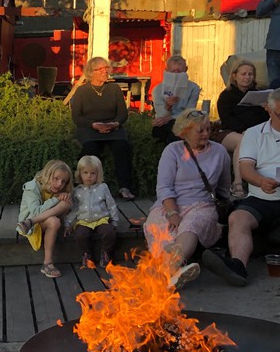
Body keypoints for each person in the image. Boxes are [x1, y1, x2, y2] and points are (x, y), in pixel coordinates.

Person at [202, 87, 280, 286]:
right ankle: (238, 266)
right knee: (237, 218)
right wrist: (260, 181)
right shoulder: (254, 133)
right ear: (269, 111)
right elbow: (246, 168)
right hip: (262, 197)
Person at [144, 109, 232, 290]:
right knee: (161, 226)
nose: (206, 134)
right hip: (170, 204)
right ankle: (174, 272)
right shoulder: (172, 151)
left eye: (208, 129)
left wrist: (226, 205)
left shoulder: (220, 152)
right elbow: (164, 187)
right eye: (200, 131)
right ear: (185, 132)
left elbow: (224, 186)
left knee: (191, 225)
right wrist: (172, 212)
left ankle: (167, 272)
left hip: (202, 204)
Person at [70, 56, 136, 200]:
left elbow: (123, 113)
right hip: (89, 128)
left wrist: (115, 124)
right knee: (90, 149)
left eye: (106, 68)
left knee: (122, 147)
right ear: (91, 72)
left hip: (112, 127)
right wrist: (93, 125)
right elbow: (76, 117)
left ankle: (124, 187)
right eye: (100, 69)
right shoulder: (82, 91)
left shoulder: (114, 89)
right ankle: (89, 188)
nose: (105, 71)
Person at [213, 60, 269, 198]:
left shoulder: (259, 94)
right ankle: (237, 183)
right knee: (243, 141)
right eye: (243, 74)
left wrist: (266, 109)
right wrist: (243, 129)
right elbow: (226, 118)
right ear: (235, 75)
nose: (247, 77)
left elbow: (264, 119)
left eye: (250, 74)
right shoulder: (227, 95)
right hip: (230, 132)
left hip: (255, 132)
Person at [16, 159, 73, 279]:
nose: (59, 184)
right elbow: (36, 212)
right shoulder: (32, 187)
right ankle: (47, 263)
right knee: (54, 221)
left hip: (36, 222)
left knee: (67, 203)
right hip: (32, 225)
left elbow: (67, 209)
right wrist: (57, 199)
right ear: (47, 174)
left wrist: (64, 199)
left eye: (63, 181)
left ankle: (30, 222)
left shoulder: (60, 189)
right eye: (56, 178)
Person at [64, 155, 119, 269]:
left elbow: (111, 205)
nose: (89, 176)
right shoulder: (77, 191)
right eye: (85, 172)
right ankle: (86, 254)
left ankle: (106, 252)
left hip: (101, 219)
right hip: (83, 220)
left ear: (98, 174)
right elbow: (74, 209)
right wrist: (67, 223)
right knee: (80, 235)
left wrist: (114, 221)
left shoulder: (103, 188)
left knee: (109, 232)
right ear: (80, 174)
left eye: (93, 173)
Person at [150, 55, 202, 144]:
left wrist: (171, 118)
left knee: (178, 128)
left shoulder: (193, 88)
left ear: (186, 70)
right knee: (168, 128)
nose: (176, 74)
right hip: (164, 124)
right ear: (167, 71)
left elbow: (189, 112)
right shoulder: (158, 89)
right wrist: (168, 106)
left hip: (184, 122)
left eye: (179, 72)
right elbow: (161, 116)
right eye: (173, 72)